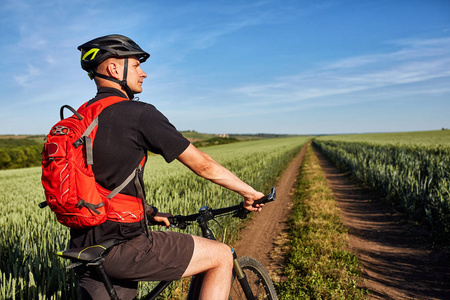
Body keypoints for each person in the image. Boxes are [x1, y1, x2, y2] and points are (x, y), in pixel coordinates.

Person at [72, 34, 265, 300]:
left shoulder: (79, 118)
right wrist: (250, 193)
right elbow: (204, 165)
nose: (144, 73)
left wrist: (149, 211)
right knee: (221, 255)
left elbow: (97, 181)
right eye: (136, 65)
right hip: (126, 246)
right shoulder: (138, 114)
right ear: (114, 68)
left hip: (85, 246)